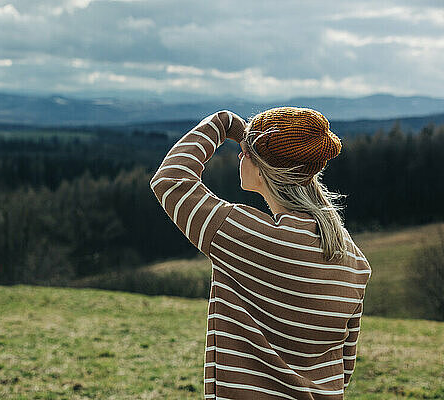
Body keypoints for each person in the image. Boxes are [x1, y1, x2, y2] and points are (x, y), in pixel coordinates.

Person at [149, 107, 372, 399]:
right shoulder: (354, 262)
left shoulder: (247, 237)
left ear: (260, 165)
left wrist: (223, 123)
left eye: (246, 151)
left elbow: (170, 180)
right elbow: (342, 368)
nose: (240, 155)